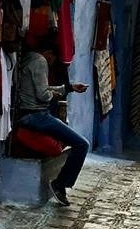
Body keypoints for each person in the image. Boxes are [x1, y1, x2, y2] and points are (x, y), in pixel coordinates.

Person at [14, 44, 89, 205]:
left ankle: (60, 184)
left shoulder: (28, 58)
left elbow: (41, 89)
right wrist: (54, 94)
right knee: (82, 144)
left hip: (28, 114)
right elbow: (43, 95)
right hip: (35, 115)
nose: (52, 62)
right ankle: (60, 184)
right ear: (49, 52)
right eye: (54, 58)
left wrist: (69, 88)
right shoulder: (40, 61)